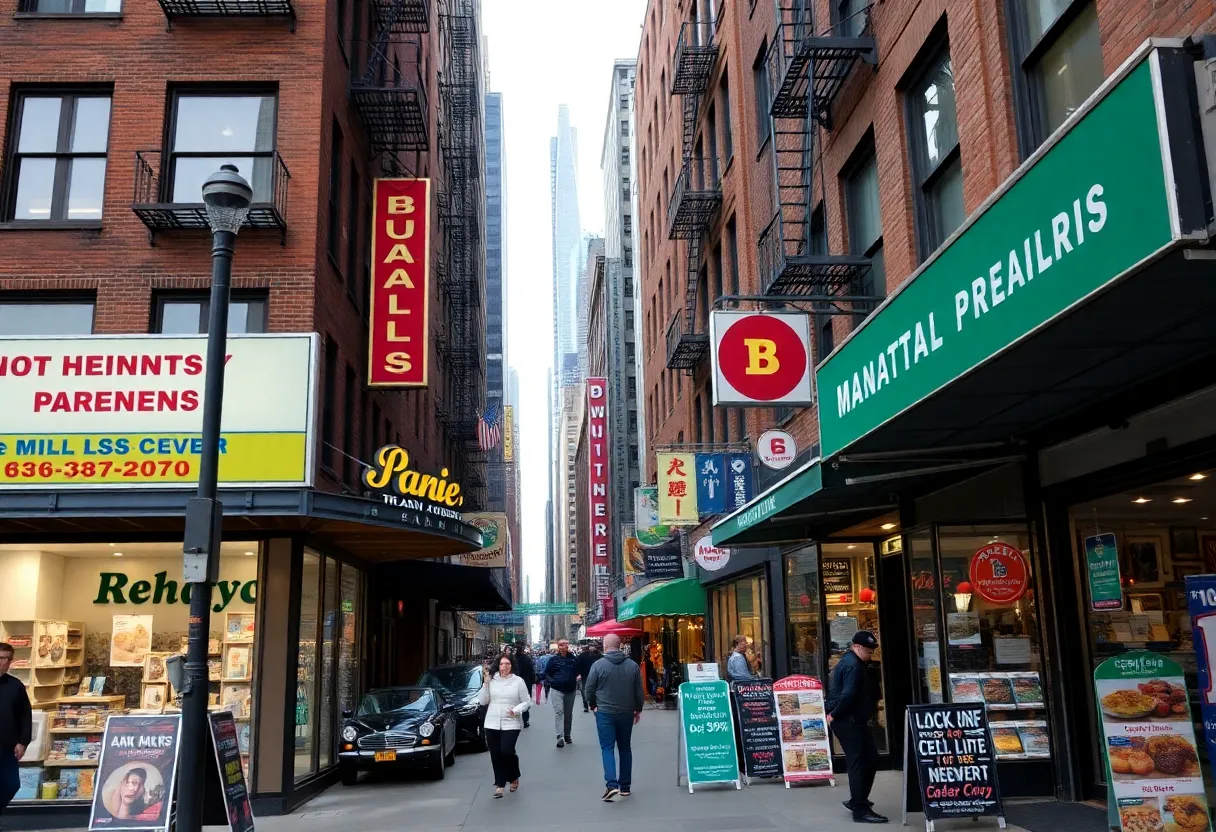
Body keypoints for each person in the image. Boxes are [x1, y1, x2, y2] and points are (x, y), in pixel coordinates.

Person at [826, 631, 887, 824]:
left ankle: (858, 801)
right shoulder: (853, 665)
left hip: (852, 719)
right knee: (860, 762)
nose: (870, 655)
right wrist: (833, 714)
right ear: (857, 647)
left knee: (869, 759)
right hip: (848, 720)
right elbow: (848, 694)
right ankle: (860, 809)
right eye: (868, 652)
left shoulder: (852, 661)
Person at [585, 634, 644, 802]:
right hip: (626, 712)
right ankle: (625, 787)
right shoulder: (632, 666)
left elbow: (589, 688)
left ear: (605, 646)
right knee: (625, 748)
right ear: (620, 646)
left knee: (607, 748)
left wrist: (592, 704)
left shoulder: (598, 665)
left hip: (604, 712)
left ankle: (612, 785)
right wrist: (637, 709)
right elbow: (639, 691)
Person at [478, 653, 531, 799]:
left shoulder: (518, 681)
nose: (504, 667)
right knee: (496, 754)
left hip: (511, 721)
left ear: (512, 665)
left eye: (507, 664)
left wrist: (516, 710)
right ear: (498, 666)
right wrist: (486, 683)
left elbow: (527, 702)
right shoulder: (492, 681)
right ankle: (500, 785)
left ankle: (514, 775)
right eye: (502, 664)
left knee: (507, 751)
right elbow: (483, 701)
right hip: (492, 722)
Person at [0, 643, 32, 819]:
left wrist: (23, 742)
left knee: (11, 784)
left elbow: (25, 715)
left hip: (7, 746)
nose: (3, 662)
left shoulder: (15, 685)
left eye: (7, 659)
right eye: (0, 657)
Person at [546, 639, 579, 747]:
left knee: (568, 714)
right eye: (561, 645)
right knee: (559, 712)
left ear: (568, 646)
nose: (563, 647)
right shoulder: (553, 660)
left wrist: (579, 676)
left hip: (571, 690)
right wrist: (553, 681)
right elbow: (547, 673)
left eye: (565, 644)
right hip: (557, 689)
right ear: (558, 647)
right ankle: (559, 736)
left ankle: (567, 735)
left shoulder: (574, 659)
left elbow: (579, 671)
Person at [512, 647, 535, 728]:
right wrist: (533, 681)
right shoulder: (527, 659)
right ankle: (526, 721)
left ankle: (514, 720)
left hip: (514, 682)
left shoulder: (512, 659)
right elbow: (532, 671)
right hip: (526, 683)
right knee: (525, 701)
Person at [576, 643, 601, 712]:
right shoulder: (598, 655)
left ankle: (588, 705)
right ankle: (590, 705)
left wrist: (578, 674)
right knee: (590, 690)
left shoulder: (583, 655)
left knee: (585, 690)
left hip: (588, 676)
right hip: (590, 676)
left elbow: (578, 665)